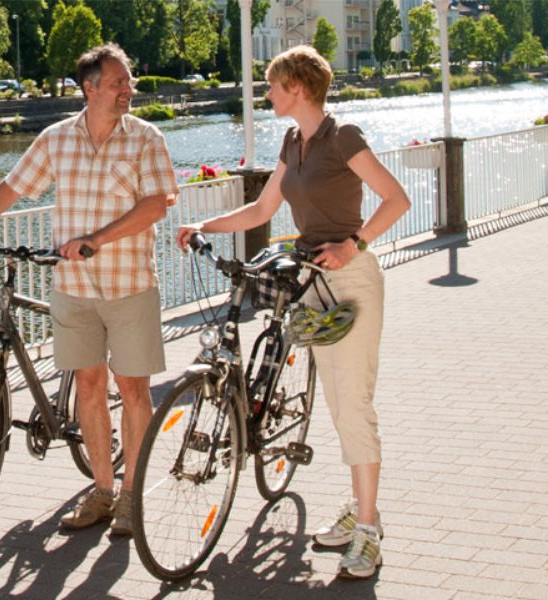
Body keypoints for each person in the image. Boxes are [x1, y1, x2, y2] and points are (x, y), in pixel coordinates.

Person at [175, 45, 407, 580]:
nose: (268, 93)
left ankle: (368, 530)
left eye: (273, 85)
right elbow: (262, 209)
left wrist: (356, 243)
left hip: (349, 281)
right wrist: (203, 227)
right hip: (310, 281)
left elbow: (395, 199)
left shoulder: (342, 137)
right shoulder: (293, 140)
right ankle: (359, 509)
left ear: (297, 87)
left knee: (353, 403)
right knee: (337, 399)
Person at [0, 43, 175, 537]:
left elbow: (157, 206)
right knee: (88, 385)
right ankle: (103, 491)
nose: (129, 89)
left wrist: (97, 239)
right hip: (74, 287)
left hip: (129, 285)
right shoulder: (56, 139)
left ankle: (132, 497)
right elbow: (14, 187)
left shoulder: (146, 139)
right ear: (89, 88)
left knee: (132, 389)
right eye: (118, 83)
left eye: (128, 81)